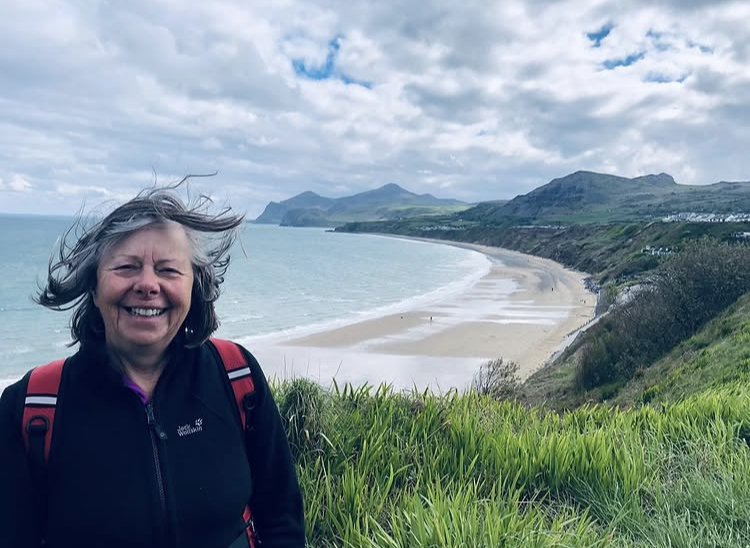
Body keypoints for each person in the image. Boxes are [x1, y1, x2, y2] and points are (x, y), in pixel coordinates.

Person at [0, 183, 305, 548]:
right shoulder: (33, 408)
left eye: (168, 270)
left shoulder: (237, 376)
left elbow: (282, 518)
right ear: (94, 288)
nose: (147, 285)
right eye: (126, 267)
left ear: (195, 287)